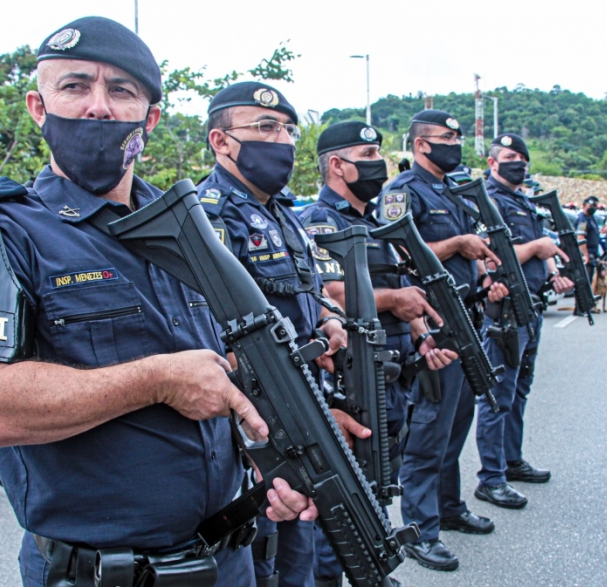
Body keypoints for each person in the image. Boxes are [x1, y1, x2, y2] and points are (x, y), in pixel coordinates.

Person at [0, 18, 315, 587]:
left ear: (149, 117)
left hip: (229, 559)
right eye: (75, 86)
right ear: (39, 105)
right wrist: (155, 380)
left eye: (122, 91)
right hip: (99, 574)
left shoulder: (195, 228)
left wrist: (269, 455)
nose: (98, 108)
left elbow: (233, 370)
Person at [199, 81, 357, 587]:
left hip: (302, 400)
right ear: (221, 142)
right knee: (266, 551)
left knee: (302, 548)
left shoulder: (285, 213)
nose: (283, 140)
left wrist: (329, 317)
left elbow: (310, 289)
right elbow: (207, 327)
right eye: (266, 128)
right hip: (254, 415)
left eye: (288, 129)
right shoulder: (208, 217)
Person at [298, 120, 458, 587]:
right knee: (345, 489)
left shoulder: (375, 222)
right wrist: (396, 302)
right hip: (354, 371)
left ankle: (368, 565)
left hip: (395, 367)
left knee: (379, 478)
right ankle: (337, 573)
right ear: (336, 165)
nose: (377, 165)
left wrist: (420, 330)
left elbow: (396, 284)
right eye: (366, 155)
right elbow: (330, 292)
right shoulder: (320, 222)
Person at [377, 109, 505, 572]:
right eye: (445, 137)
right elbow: (396, 250)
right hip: (431, 325)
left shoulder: (452, 190)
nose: (455, 143)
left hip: (467, 317)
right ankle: (419, 530)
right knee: (429, 432)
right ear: (420, 145)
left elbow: (473, 252)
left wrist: (487, 274)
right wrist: (457, 245)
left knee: (457, 424)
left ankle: (448, 509)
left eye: (456, 136)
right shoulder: (401, 192)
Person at [473, 133, 574, 517]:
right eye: (510, 156)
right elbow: (487, 255)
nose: (519, 162)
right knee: (497, 396)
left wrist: (553, 273)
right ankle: (491, 478)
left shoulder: (522, 201)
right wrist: (536, 249)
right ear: (493, 162)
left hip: (530, 306)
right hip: (505, 312)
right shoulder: (488, 201)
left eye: (523, 157)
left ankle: (511, 460)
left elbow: (540, 247)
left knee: (519, 391)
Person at [576, 195, 601, 279]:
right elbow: (581, 237)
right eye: (590, 206)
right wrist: (585, 255)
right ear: (584, 206)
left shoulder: (592, 218)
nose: (593, 208)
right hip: (587, 253)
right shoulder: (583, 220)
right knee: (585, 279)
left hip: (593, 253)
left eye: (595, 206)